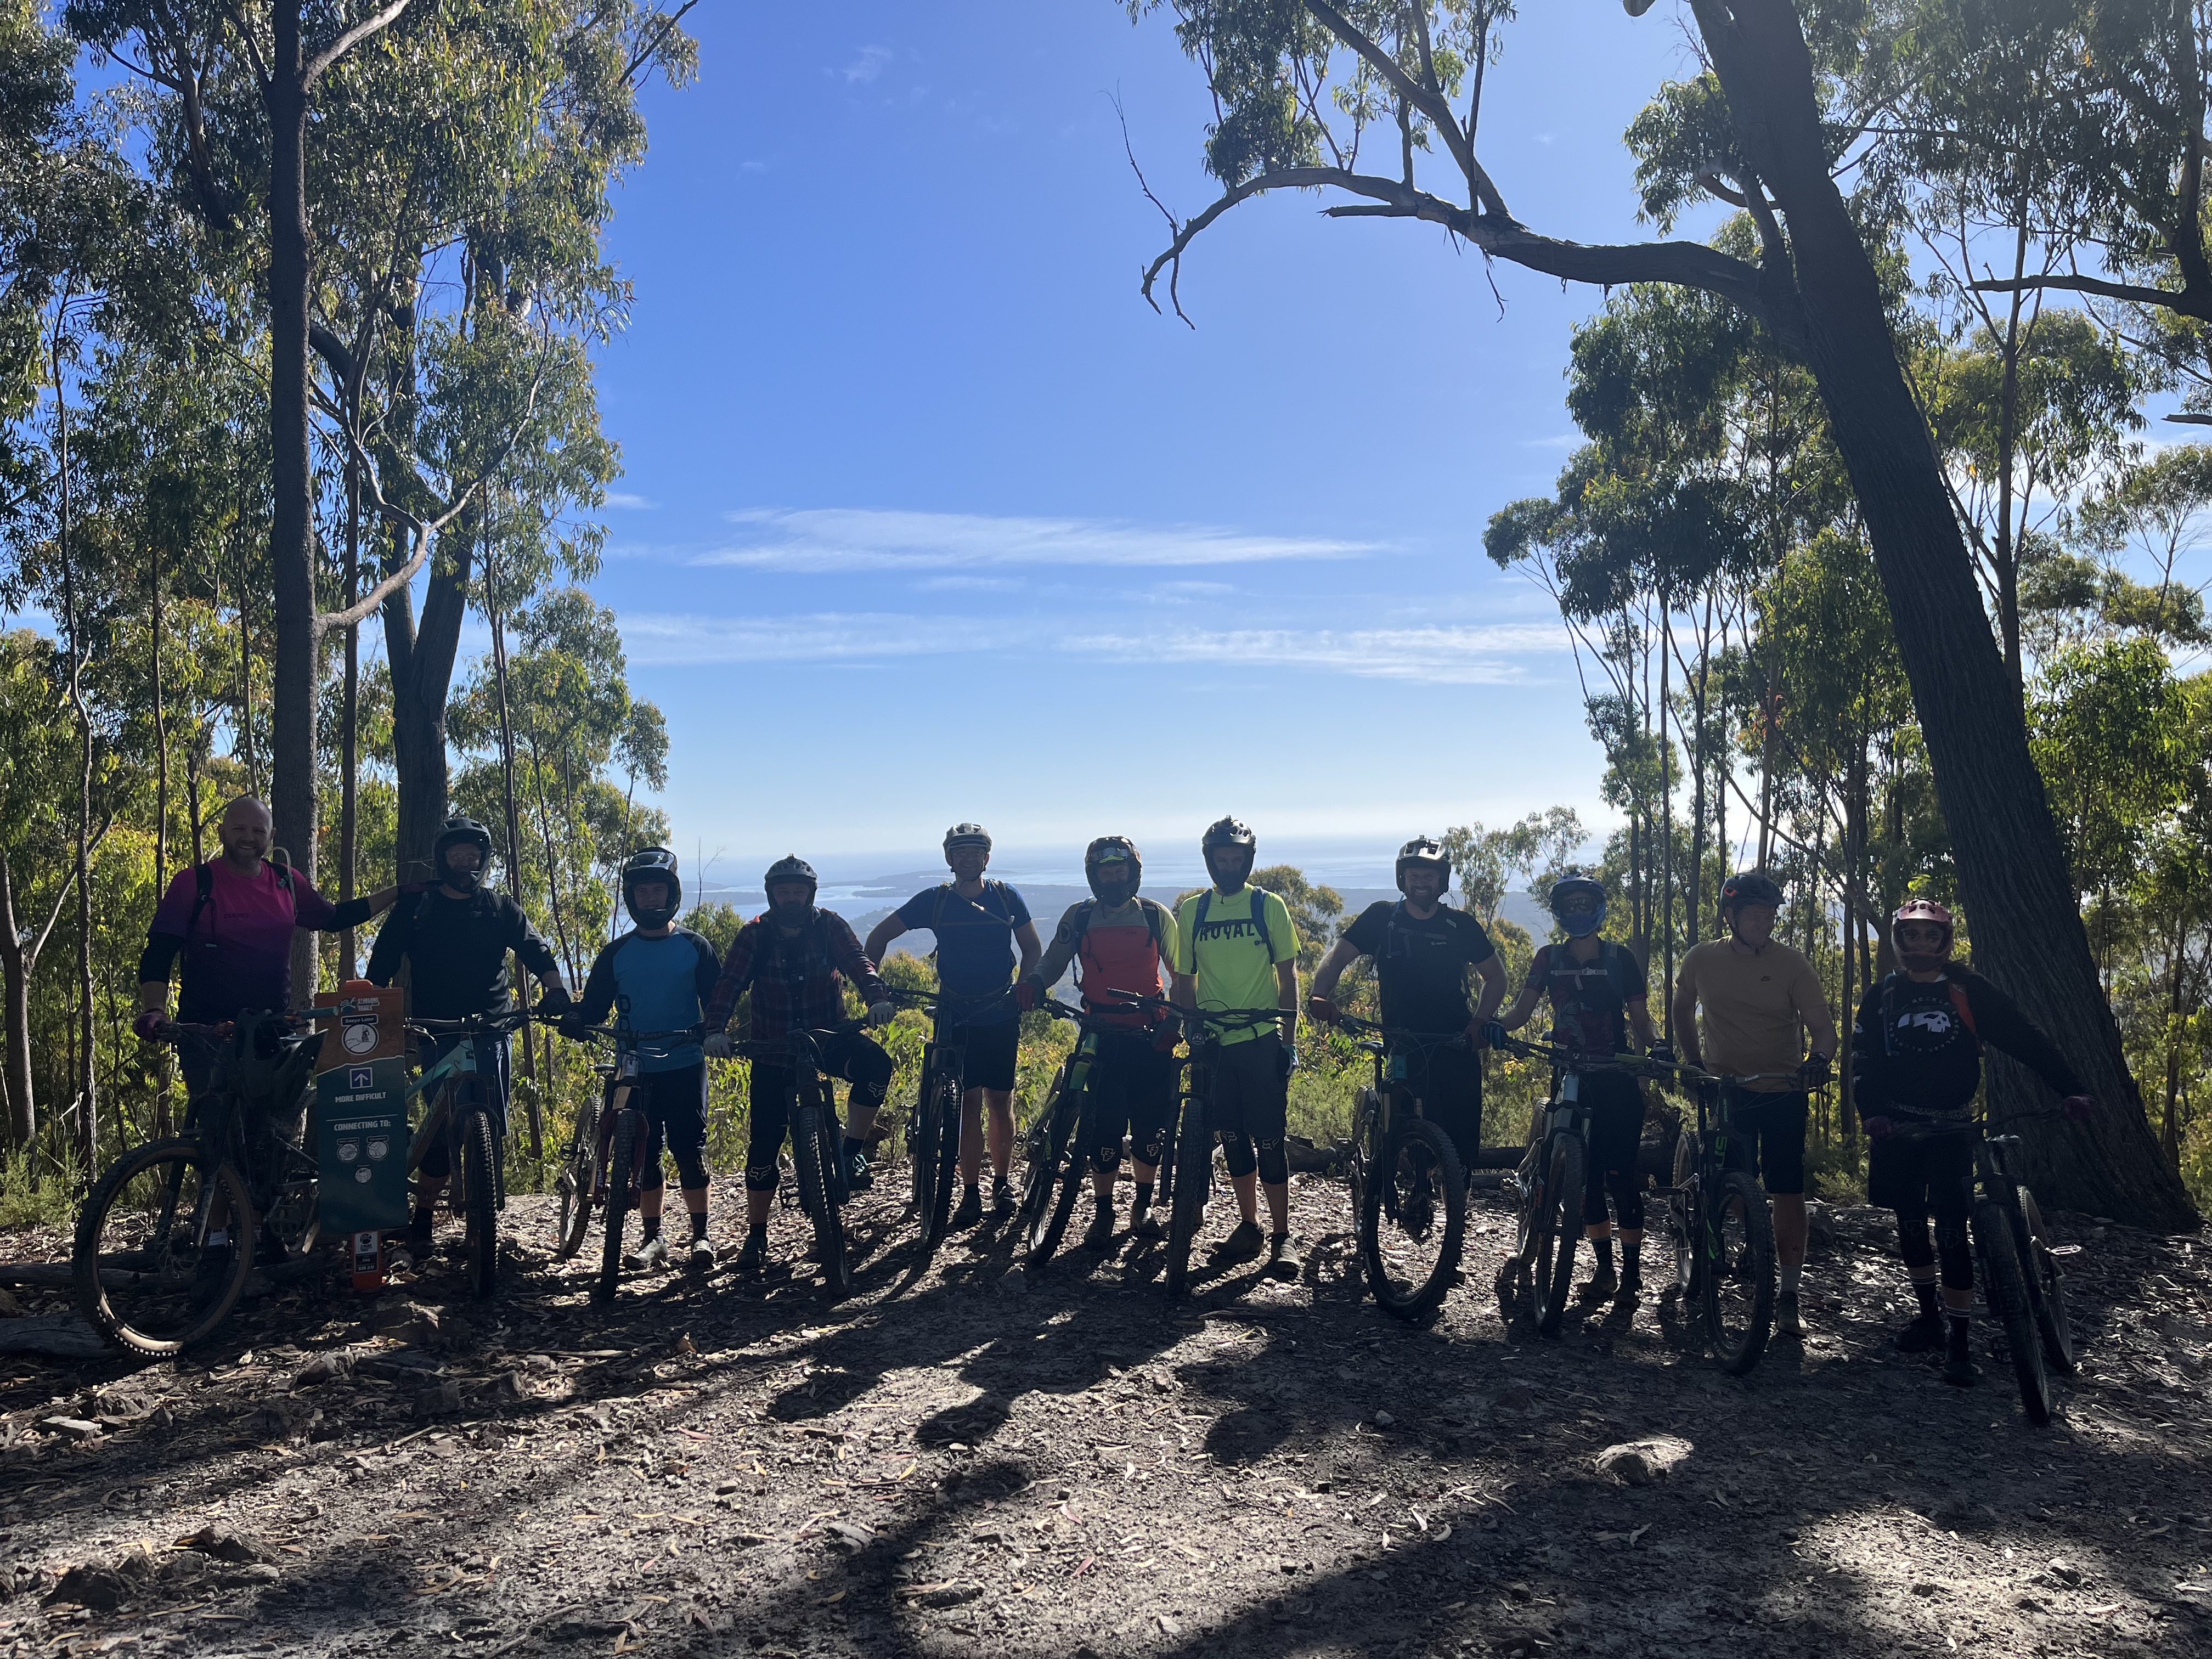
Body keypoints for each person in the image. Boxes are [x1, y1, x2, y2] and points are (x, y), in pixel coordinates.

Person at [1853, 897, 2093, 1387]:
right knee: (1912, 1225)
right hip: (1900, 1129)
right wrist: (1872, 1113)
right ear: (1899, 941)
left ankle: (1961, 1344)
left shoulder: (1968, 991)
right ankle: (1929, 1320)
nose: (1921, 943)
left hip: (1954, 1127)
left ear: (1945, 941)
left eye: (1930, 935)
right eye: (1912, 935)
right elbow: (1863, 1061)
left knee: (1952, 1232)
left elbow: (2024, 1038)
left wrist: (2070, 1087)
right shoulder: (1883, 995)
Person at [365, 815, 573, 1252]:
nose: (465, 861)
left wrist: (555, 989)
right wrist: (370, 1003)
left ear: (483, 859)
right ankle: (423, 1220)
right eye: (456, 854)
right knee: (439, 1129)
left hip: (492, 1031)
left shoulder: (499, 908)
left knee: (489, 1122)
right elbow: (381, 961)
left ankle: (484, 1216)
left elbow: (535, 948)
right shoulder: (417, 908)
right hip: (436, 1031)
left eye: (472, 854)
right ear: (442, 859)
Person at [701, 856, 895, 1275]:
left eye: (798, 891)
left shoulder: (830, 925)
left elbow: (859, 964)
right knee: (763, 1147)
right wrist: (714, 1029)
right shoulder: (755, 935)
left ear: (811, 893)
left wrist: (876, 997)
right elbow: (729, 984)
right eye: (783, 891)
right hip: (773, 1049)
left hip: (829, 1039)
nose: (791, 898)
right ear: (772, 894)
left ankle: (850, 1153)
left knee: (877, 1066)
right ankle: (756, 1235)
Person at [136, 795, 402, 1098]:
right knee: (215, 1130)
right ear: (222, 833)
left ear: (271, 837)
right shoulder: (193, 884)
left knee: (274, 1134)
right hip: (208, 1034)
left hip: (272, 1029)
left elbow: (335, 918)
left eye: (259, 831)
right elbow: (159, 952)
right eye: (239, 829)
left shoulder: (286, 881)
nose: (248, 838)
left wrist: (398, 892)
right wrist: (155, 1010)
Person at [1668, 868, 1837, 1338]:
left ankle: (1788, 1293)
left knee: (1787, 1189)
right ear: (1731, 915)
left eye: (1770, 913)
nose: (1766, 921)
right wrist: (1693, 1061)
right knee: (1729, 1181)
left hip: (1783, 1088)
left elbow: (1823, 1028)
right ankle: (1740, 1237)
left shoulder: (1792, 964)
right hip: (1726, 1089)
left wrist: (1818, 1058)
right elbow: (1682, 1008)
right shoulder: (1702, 959)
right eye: (1756, 913)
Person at [865, 824, 1042, 1229]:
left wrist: (1026, 989)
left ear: (987, 859)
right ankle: (969, 1191)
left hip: (1000, 1010)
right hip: (954, 1012)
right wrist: (875, 991)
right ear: (949, 859)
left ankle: (1001, 1183)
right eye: (959, 852)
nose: (967, 858)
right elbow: (878, 937)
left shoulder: (1005, 896)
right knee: (967, 1104)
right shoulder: (936, 900)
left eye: (975, 852)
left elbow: (1031, 946)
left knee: (1001, 1101)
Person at [1489, 871, 1656, 1301]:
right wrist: (1495, 1027)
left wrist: (1658, 1048)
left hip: (1616, 1079)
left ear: (1599, 909)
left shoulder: (1620, 959)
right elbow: (1522, 1011)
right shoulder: (1547, 958)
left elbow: (1641, 1019)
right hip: (1571, 1079)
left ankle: (1632, 1276)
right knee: (1589, 1180)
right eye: (1570, 906)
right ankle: (1605, 1273)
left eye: (1586, 904)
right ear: (1559, 912)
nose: (1579, 912)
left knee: (1622, 1179)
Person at [1014, 836, 1181, 1249]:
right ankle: (1104, 1210)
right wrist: (1034, 981)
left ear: (1133, 873)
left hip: (1150, 1033)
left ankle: (1142, 1206)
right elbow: (1054, 958)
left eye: (1119, 869)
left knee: (1148, 1127)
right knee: (1104, 1126)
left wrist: (1175, 1020)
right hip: (1099, 1034)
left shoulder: (1157, 917)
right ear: (1094, 876)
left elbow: (1183, 975)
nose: (1113, 876)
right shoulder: (1081, 915)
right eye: (1105, 871)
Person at [562, 848, 723, 1272]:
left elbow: (718, 1005)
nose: (651, 898)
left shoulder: (695, 947)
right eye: (642, 891)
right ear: (632, 898)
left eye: (658, 890)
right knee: (642, 1154)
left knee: (690, 1150)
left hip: (685, 1065)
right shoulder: (616, 954)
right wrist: (573, 1019)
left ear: (672, 894)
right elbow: (594, 1008)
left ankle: (701, 1234)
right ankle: (654, 1239)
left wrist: (715, 1033)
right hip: (634, 1070)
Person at [1306, 837, 1509, 1164]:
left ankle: (1458, 1201)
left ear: (1442, 881)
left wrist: (1480, 1021)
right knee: (1402, 1132)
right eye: (1415, 876)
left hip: (1457, 1041)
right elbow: (1337, 957)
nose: (1421, 883)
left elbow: (1497, 978)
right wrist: (1319, 994)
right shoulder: (1381, 919)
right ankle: (1405, 1194)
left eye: (1429, 876)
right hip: (1402, 1042)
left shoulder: (1461, 926)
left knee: (1462, 1143)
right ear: (1403, 879)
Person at [1169, 817, 1302, 1280]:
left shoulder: (1269, 906)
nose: (1228, 868)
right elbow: (1184, 980)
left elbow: (1287, 979)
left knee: (1269, 1138)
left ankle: (1283, 1237)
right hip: (1214, 1044)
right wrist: (1191, 1027)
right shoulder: (1193, 911)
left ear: (1248, 860)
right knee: (1231, 1136)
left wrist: (1289, 1042)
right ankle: (1250, 1226)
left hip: (1261, 1039)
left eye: (1236, 860)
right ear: (1209, 862)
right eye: (1220, 861)